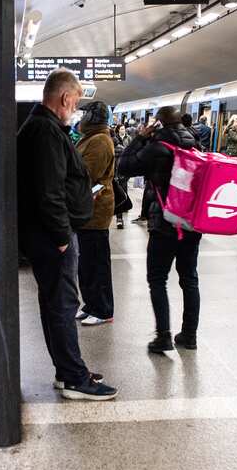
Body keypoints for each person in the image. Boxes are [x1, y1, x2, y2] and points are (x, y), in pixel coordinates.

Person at [17, 69, 116, 400]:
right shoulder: (45, 131)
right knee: (62, 304)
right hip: (51, 237)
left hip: (45, 234)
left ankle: (67, 370)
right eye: (74, 102)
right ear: (64, 97)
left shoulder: (42, 127)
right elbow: (49, 191)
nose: (75, 109)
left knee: (55, 303)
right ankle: (75, 377)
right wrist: (62, 236)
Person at [117, 106, 205, 352]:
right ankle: (189, 335)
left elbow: (124, 166)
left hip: (165, 222)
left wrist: (139, 137)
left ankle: (163, 336)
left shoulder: (156, 148)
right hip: (190, 222)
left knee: (157, 279)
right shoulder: (195, 145)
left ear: (158, 123)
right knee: (189, 278)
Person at [75, 101, 115, 325]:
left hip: (96, 211)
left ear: (92, 117)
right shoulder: (91, 137)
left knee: (97, 263)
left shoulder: (99, 140)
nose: (81, 118)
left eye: (84, 115)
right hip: (87, 209)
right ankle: (91, 305)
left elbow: (88, 174)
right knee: (87, 263)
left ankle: (103, 310)